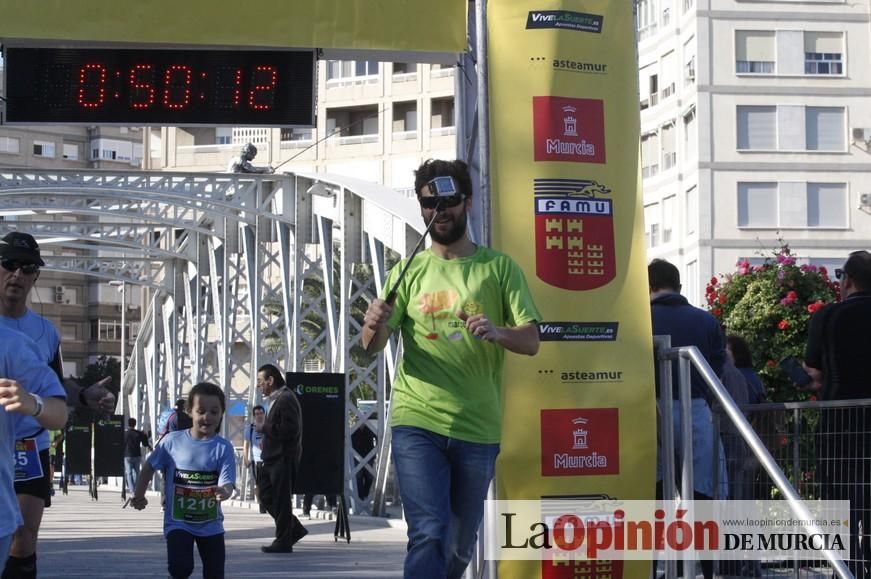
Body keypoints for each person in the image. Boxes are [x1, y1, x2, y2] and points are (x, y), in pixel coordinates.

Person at [361, 159, 541, 579]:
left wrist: (498, 332)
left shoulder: (499, 268)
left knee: (459, 544)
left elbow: (532, 341)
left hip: (477, 427)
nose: (439, 211)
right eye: (430, 203)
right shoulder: (407, 272)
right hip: (417, 420)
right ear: (422, 209)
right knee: (429, 531)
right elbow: (370, 348)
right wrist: (372, 323)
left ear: (468, 203)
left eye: (449, 201)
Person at [0, 231, 115, 579]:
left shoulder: (45, 331)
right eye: (10, 265)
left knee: (25, 537)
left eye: (28, 268)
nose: (18, 274)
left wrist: (82, 396)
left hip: (30, 441)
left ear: (37, 276)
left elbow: (53, 386)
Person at [649, 258, 727, 579]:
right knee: (702, 493)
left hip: (649, 410)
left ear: (648, 287)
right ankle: (706, 569)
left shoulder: (640, 320)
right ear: (679, 286)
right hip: (696, 408)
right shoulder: (706, 321)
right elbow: (718, 371)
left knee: (654, 494)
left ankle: (652, 567)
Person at [804, 250, 871, 579]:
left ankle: (845, 567)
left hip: (839, 420)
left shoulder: (828, 316)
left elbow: (813, 375)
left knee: (839, 495)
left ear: (849, 280)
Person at [130, 382, 236, 579]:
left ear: (222, 413)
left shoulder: (224, 447)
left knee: (215, 574)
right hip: (178, 523)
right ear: (189, 411)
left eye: (214, 411)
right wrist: (138, 496)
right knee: (181, 568)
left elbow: (227, 481)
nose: (207, 417)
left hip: (211, 524)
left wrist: (225, 491)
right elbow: (148, 467)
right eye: (201, 411)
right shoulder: (171, 442)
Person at [0, 326, 69, 574]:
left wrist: (32, 402)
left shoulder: (15, 342)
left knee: (24, 539)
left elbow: (59, 410)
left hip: (29, 445)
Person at [255, 364, 307, 553]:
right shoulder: (276, 400)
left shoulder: (285, 399)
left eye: (261, 382)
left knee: (280, 498)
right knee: (266, 495)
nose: (259, 386)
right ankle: (293, 528)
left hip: (282, 457)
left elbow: (290, 430)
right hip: (272, 457)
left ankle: (283, 540)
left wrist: (264, 428)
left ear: (271, 380)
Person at [241, 405, 265, 507]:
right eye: (257, 414)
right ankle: (261, 504)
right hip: (257, 460)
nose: (259, 416)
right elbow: (246, 445)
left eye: (261, 413)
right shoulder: (250, 428)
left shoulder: (269, 426)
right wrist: (246, 459)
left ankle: (269, 502)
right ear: (254, 416)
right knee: (259, 483)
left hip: (269, 459)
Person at [123, 417, 151, 498]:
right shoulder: (139, 433)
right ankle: (136, 489)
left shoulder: (125, 434)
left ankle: (132, 491)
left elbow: (122, 445)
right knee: (137, 473)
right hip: (137, 455)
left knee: (129, 473)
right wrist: (145, 435)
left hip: (127, 456)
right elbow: (145, 444)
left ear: (128, 424)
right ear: (135, 424)